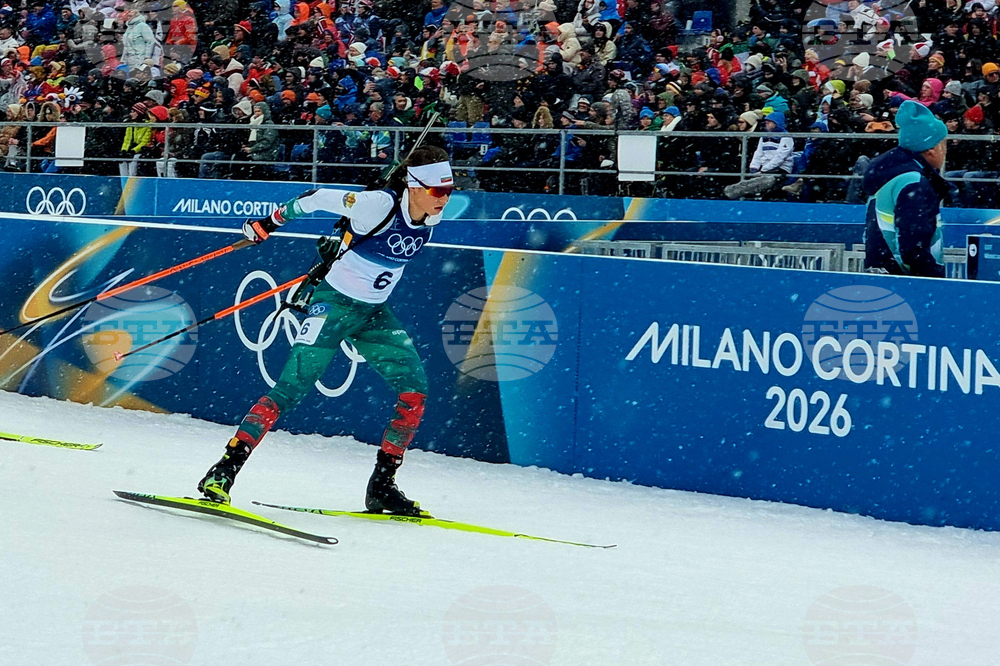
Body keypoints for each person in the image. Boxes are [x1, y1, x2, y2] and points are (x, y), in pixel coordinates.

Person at [197, 145, 454, 515]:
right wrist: (268, 224)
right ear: (414, 186)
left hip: (373, 314)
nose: (443, 199)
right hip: (333, 306)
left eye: (448, 191)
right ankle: (223, 471)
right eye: (437, 191)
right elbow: (313, 198)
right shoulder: (377, 205)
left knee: (415, 391)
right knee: (289, 389)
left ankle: (382, 487)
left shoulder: (429, 218)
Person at [862, 100, 947, 277]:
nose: (945, 151)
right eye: (944, 144)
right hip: (908, 281)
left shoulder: (890, 176)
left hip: (884, 273)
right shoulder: (913, 182)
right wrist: (931, 276)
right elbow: (912, 242)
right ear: (931, 149)